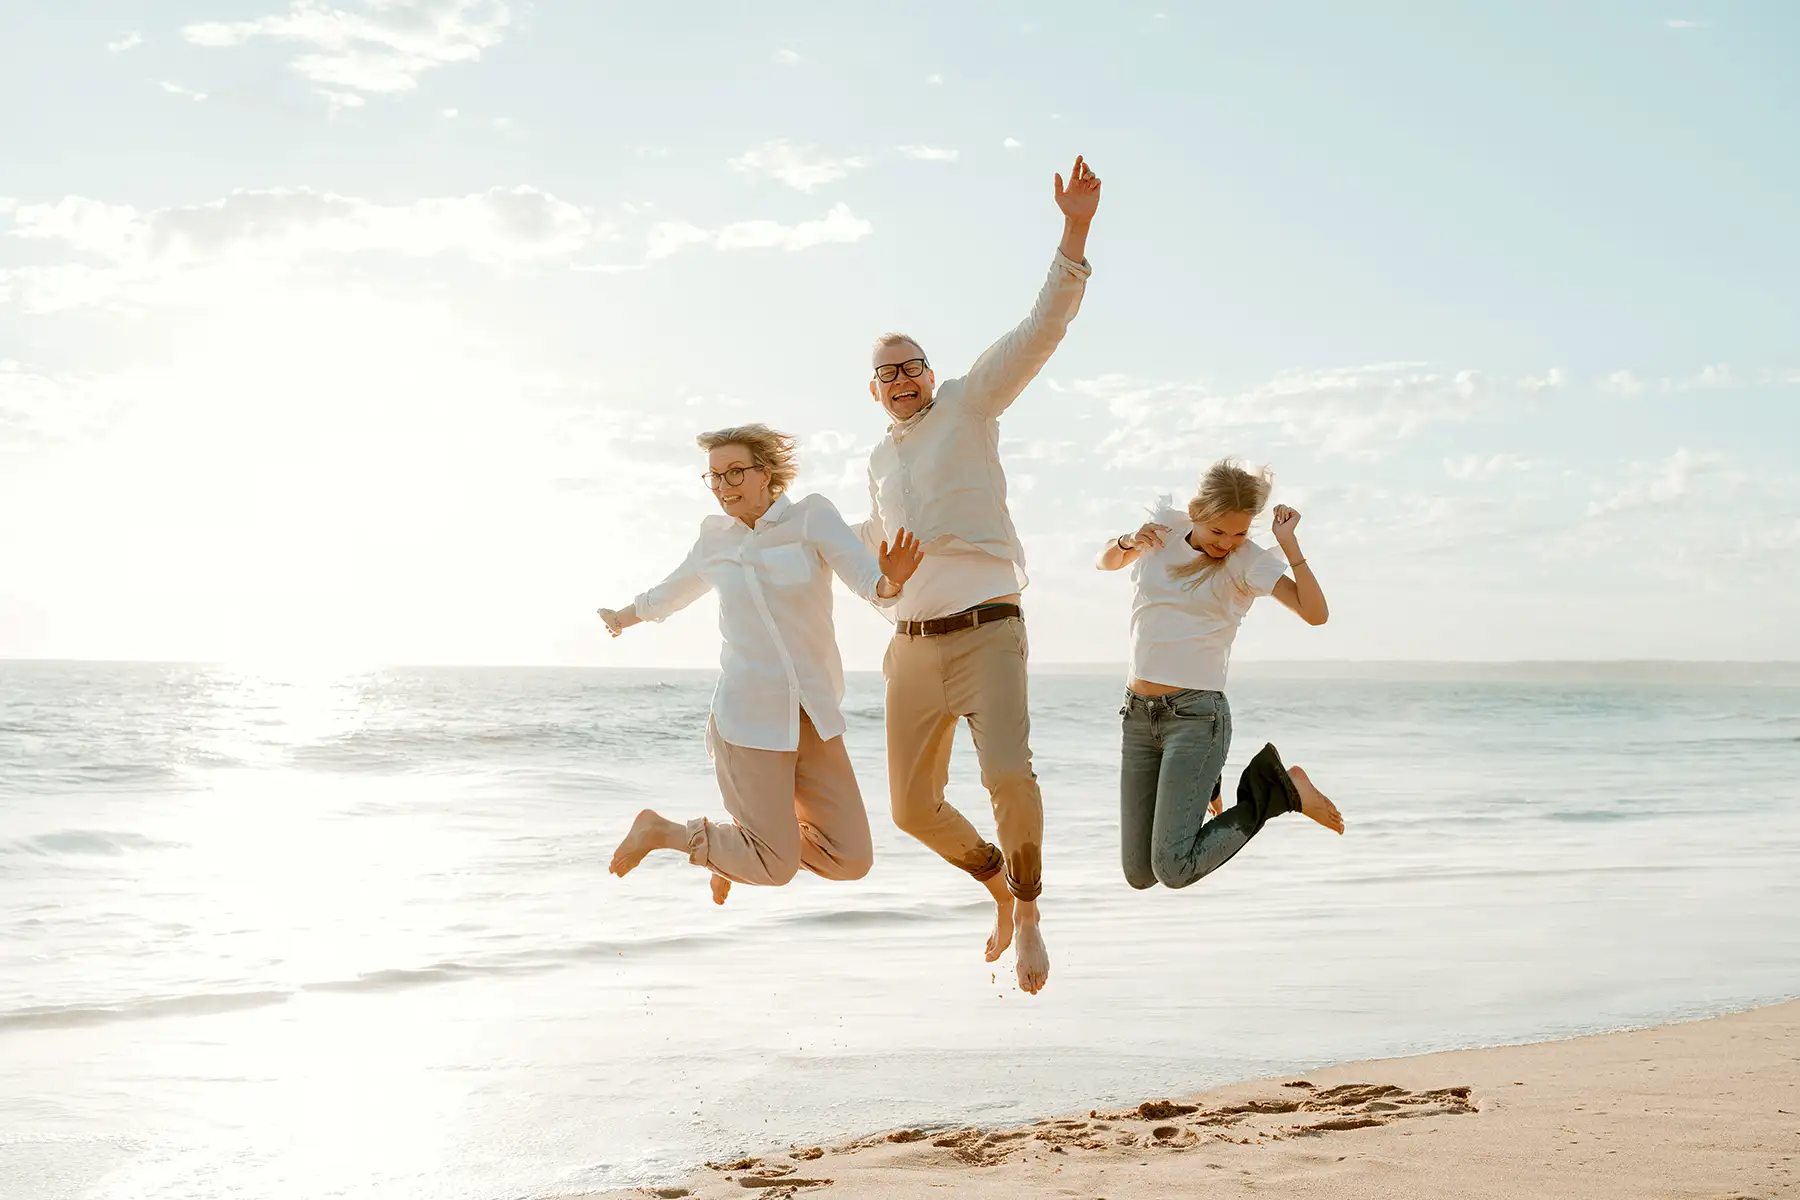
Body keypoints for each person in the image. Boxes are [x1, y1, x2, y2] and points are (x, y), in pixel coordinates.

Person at [857, 155, 1102, 994]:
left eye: (911, 363)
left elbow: (1041, 329)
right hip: (909, 648)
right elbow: (871, 571)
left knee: (1005, 774)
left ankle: (1031, 911)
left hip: (988, 629)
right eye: (886, 370)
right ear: (873, 389)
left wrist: (1073, 229)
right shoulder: (875, 467)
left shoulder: (968, 403)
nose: (902, 378)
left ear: (931, 369)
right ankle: (996, 886)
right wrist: (883, 581)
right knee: (909, 809)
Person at [600, 424, 922, 905]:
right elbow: (671, 593)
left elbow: (862, 574)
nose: (725, 486)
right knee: (776, 869)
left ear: (765, 473)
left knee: (851, 858)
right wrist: (623, 618)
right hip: (747, 719)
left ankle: (734, 849)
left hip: (812, 714)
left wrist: (889, 584)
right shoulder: (715, 541)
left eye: (735, 473)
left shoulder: (811, 517)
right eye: (714, 477)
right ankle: (667, 832)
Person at [1095, 458, 1344, 893]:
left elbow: (1316, 614)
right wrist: (1127, 541)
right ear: (1196, 513)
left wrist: (1289, 546)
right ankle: (1212, 779)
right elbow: (1106, 561)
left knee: (1173, 869)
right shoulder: (1162, 531)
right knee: (1139, 874)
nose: (1227, 542)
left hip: (1197, 719)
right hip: (1137, 716)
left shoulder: (1248, 562)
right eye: (1218, 531)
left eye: (1240, 533)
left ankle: (1282, 792)